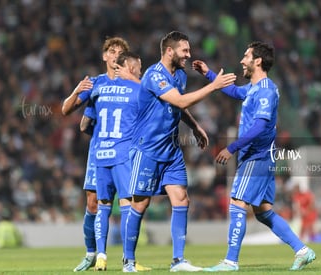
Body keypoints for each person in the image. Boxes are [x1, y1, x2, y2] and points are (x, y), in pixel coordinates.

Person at [192, 41, 316, 271]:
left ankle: (230, 261)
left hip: (256, 157)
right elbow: (236, 91)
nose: (241, 60)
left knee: (237, 203)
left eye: (246, 56)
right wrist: (208, 74)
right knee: (263, 212)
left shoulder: (266, 91)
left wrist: (231, 148)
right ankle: (303, 250)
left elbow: (260, 126)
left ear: (257, 61)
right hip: (261, 157)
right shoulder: (254, 88)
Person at [122, 31, 236, 273]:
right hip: (147, 148)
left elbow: (178, 106)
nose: (189, 54)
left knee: (181, 198)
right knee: (140, 204)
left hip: (171, 149)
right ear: (170, 51)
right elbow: (180, 101)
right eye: (185, 50)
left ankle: (178, 260)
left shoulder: (181, 75)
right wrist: (214, 86)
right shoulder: (154, 75)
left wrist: (194, 126)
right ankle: (128, 261)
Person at [61, 36, 147, 272]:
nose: (115, 54)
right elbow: (67, 111)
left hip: (123, 151)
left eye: (120, 51)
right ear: (104, 56)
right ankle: (92, 253)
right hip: (99, 151)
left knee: (124, 201)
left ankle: (127, 258)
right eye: (111, 50)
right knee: (92, 203)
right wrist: (77, 90)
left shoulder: (133, 84)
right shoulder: (95, 83)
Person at [86, 51, 146, 271]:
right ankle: (128, 260)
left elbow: (85, 124)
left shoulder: (99, 88)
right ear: (130, 68)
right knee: (128, 205)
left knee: (103, 206)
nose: (142, 71)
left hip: (100, 154)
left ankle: (101, 256)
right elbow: (159, 102)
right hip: (123, 155)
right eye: (139, 67)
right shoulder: (138, 89)